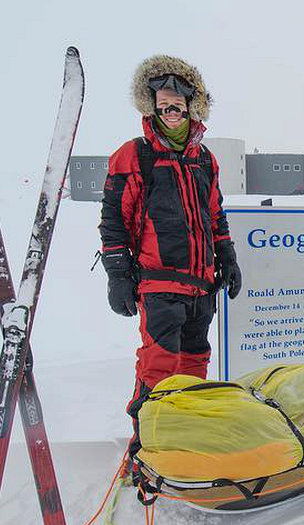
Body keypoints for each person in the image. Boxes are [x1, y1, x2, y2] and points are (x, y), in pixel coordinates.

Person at [98, 54, 242, 420]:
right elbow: (113, 219)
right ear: (152, 108)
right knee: (159, 370)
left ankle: (186, 440)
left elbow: (215, 215)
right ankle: (145, 447)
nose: (171, 113)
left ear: (192, 107)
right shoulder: (134, 155)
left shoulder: (205, 160)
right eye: (163, 107)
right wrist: (118, 275)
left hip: (201, 285)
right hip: (159, 284)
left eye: (177, 106)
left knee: (194, 367)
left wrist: (228, 258)